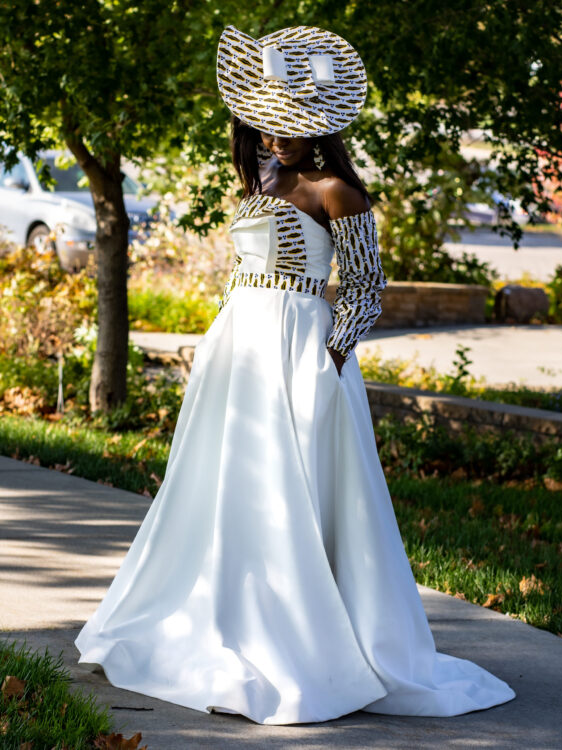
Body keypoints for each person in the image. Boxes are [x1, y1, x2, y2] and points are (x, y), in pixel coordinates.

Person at [75, 24, 515, 725]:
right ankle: (224, 615)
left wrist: (330, 359)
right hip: (239, 341)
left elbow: (367, 287)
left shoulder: (337, 190)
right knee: (227, 480)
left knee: (297, 485)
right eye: (268, 122)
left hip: (298, 344)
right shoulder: (261, 176)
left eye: (291, 127)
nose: (276, 136)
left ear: (321, 131)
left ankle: (308, 639)